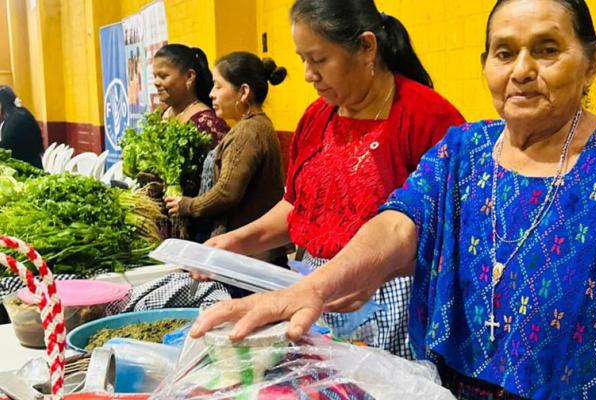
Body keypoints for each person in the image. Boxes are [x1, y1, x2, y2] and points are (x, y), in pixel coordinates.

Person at [191, 0, 596, 398]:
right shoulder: (464, 151)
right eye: (504, 53)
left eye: (547, 50)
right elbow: (398, 222)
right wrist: (318, 288)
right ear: (486, 64)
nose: (522, 70)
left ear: (591, 60)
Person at [195, 0, 464, 359]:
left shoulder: (428, 119)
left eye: (319, 60)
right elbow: (298, 207)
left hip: (402, 303)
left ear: (367, 47)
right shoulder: (315, 118)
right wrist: (238, 241)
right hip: (318, 291)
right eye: (303, 58)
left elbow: (449, 235)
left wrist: (364, 273)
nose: (308, 74)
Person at [164, 52, 289, 268]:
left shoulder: (248, 132)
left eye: (218, 86)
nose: (211, 94)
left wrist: (187, 205)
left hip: (248, 257)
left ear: (243, 92)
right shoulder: (254, 126)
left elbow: (226, 193)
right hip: (250, 251)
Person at [152, 43, 229, 145]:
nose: (156, 82)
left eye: (163, 76)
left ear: (189, 76)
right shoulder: (163, 114)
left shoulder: (207, 124)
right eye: (155, 76)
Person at [0, 86, 43, 168]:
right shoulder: (20, 114)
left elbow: (5, 145)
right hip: (28, 163)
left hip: (28, 166)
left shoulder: (16, 118)